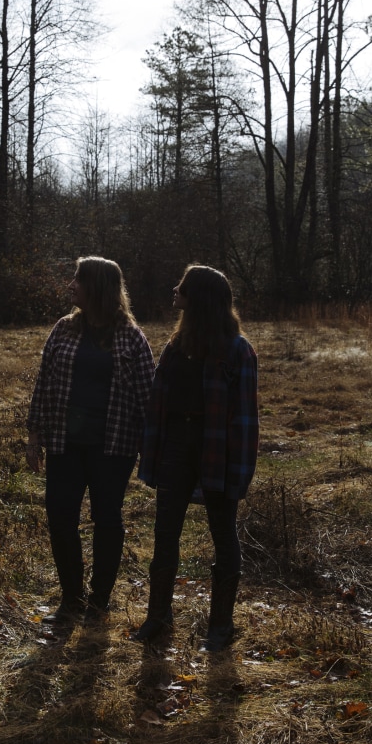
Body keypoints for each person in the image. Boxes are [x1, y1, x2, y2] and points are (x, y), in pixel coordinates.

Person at [133, 265, 259, 651]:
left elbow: (245, 420)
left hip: (216, 450)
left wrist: (237, 475)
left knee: (223, 534)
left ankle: (220, 625)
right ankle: (158, 617)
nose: (174, 290)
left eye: (182, 287)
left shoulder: (238, 351)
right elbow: (158, 405)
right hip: (177, 445)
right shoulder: (176, 346)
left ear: (199, 298)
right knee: (164, 533)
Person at [26, 257, 155, 625]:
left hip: (113, 446)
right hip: (64, 443)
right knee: (59, 516)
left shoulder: (131, 336)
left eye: (78, 280)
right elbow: (44, 381)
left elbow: (148, 397)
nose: (72, 285)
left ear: (97, 287)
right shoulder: (64, 329)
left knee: (107, 519)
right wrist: (34, 437)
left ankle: (99, 604)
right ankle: (71, 599)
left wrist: (150, 450)